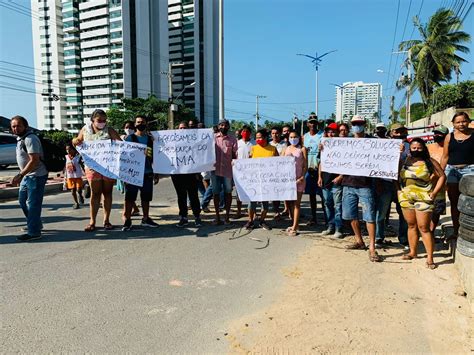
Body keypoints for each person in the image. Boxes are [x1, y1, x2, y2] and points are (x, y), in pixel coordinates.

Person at [398, 138, 446, 269]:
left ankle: (430, 258)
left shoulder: (430, 161)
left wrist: (434, 193)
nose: (416, 150)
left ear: (424, 148)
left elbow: (442, 176)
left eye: (419, 148)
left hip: (423, 198)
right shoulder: (404, 161)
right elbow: (395, 175)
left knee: (424, 228)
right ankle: (413, 252)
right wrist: (398, 190)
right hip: (406, 197)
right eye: (413, 148)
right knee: (411, 225)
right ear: (410, 149)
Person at [72, 109, 122, 232]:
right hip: (92, 167)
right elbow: (76, 141)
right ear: (92, 120)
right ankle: (92, 221)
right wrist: (75, 141)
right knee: (95, 194)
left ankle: (106, 220)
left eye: (104, 120)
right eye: (99, 120)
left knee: (107, 193)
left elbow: (121, 144)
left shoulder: (110, 130)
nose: (102, 123)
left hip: (108, 167)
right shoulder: (85, 130)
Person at [342, 116, 381, 262]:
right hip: (348, 184)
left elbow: (384, 156)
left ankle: (372, 247)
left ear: (365, 125)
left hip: (366, 185)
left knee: (369, 217)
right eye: (354, 124)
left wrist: (399, 149)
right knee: (350, 215)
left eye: (359, 123)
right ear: (351, 125)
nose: (357, 126)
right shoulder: (345, 142)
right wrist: (324, 149)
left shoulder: (373, 141)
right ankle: (359, 240)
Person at [10, 115, 49, 241]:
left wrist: (20, 175)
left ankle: (34, 232)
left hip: (36, 176)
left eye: (18, 126)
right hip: (27, 176)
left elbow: (34, 161)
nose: (15, 128)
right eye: (13, 126)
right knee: (22, 201)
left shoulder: (30, 139)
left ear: (25, 126)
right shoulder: (20, 139)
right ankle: (35, 224)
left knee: (33, 204)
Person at [122, 115, 160, 231]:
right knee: (129, 198)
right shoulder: (129, 138)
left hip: (147, 173)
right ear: (135, 124)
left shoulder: (151, 140)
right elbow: (124, 156)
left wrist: (156, 172)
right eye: (138, 122)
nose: (140, 124)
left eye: (142, 122)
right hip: (132, 173)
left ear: (146, 124)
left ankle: (146, 218)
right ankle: (128, 220)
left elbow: (157, 156)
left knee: (146, 198)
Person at [440, 112, 474, 240]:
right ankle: (456, 230)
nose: (461, 124)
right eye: (458, 122)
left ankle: (470, 232)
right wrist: (440, 174)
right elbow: (445, 156)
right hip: (452, 171)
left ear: (468, 121)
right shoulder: (449, 137)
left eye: (464, 121)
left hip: (471, 171)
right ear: (453, 124)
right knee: (454, 202)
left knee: (470, 203)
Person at [169, 121, 203, 227]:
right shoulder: (172, 142)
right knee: (181, 196)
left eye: (184, 128)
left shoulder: (193, 142)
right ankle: (183, 217)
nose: (182, 130)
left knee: (193, 196)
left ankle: (197, 216)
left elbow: (197, 157)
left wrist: (198, 172)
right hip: (177, 174)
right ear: (177, 129)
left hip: (191, 173)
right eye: (180, 128)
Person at [244, 128, 279, 230]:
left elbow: (278, 163)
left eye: (260, 137)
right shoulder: (254, 148)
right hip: (254, 180)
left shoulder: (272, 149)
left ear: (265, 137)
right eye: (256, 138)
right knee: (252, 203)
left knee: (265, 204)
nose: (258, 139)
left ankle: (262, 221)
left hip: (267, 181)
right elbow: (248, 163)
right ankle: (250, 221)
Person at [318, 123, 343, 238]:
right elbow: (321, 163)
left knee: (338, 205)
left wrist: (340, 176)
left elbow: (348, 164)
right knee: (327, 204)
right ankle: (330, 226)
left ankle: (339, 229)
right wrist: (319, 177)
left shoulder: (343, 146)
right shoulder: (323, 145)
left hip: (337, 181)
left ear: (337, 132)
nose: (331, 133)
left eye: (333, 131)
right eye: (329, 131)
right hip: (325, 180)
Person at [212, 118, 238, 225]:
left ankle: (227, 216)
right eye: (221, 125)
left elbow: (236, 155)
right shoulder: (212, 138)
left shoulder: (232, 140)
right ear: (218, 126)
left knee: (228, 193)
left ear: (228, 127)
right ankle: (217, 216)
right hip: (215, 170)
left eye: (225, 125)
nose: (223, 127)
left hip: (228, 171)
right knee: (216, 193)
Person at [389, 123, 410, 248]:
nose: (400, 134)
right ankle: (379, 238)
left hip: (404, 183)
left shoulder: (410, 146)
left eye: (402, 131)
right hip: (386, 183)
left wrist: (404, 154)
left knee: (403, 212)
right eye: (397, 131)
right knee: (381, 212)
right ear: (392, 133)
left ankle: (404, 239)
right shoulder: (383, 146)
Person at [302, 114, 324, 225]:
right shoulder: (304, 137)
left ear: (317, 123)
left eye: (315, 122)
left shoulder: (322, 135)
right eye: (311, 122)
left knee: (323, 195)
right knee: (311, 195)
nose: (313, 124)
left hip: (319, 168)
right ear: (307, 124)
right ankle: (314, 217)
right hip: (309, 169)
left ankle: (327, 218)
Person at [284, 130, 307, 236]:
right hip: (288, 180)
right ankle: (295, 223)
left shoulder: (302, 149)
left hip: (299, 180)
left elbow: (305, 165)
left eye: (295, 136)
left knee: (297, 204)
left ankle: (294, 227)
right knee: (290, 203)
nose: (293, 139)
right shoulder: (287, 149)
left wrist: (302, 176)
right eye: (291, 137)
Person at [427, 125, 449, 233]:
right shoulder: (428, 147)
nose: (436, 136)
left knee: (437, 210)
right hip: (427, 183)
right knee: (425, 208)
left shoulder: (449, 149)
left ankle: (431, 232)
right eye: (435, 133)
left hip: (440, 185)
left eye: (439, 134)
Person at [235, 125, 254, 219]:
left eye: (247, 131)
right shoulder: (237, 143)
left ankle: (252, 212)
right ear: (241, 132)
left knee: (253, 193)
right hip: (239, 172)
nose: (245, 133)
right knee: (239, 193)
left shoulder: (254, 143)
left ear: (250, 133)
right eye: (244, 131)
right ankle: (239, 211)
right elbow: (234, 156)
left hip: (251, 172)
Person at [270, 126, 288, 219]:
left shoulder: (285, 144)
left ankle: (288, 210)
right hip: (272, 173)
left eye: (276, 133)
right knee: (275, 193)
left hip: (283, 172)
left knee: (286, 192)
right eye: (273, 133)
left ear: (280, 133)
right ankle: (276, 211)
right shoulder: (268, 144)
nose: (275, 135)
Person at [64, 144, 85, 210]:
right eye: (67, 149)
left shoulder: (78, 157)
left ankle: (80, 195)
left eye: (69, 149)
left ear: (74, 149)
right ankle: (76, 203)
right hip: (70, 176)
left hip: (78, 175)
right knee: (73, 191)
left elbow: (82, 165)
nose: (68, 151)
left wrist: (86, 172)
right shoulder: (66, 157)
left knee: (79, 189)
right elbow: (65, 165)